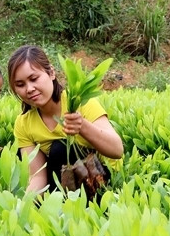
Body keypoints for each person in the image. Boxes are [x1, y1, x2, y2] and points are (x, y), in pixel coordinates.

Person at [7, 45, 123, 194]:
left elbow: (117, 150)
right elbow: (37, 177)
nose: (29, 89)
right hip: (66, 180)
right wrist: (22, 208)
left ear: (51, 73)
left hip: (100, 179)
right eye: (20, 85)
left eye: (34, 78)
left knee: (60, 148)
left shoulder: (80, 103)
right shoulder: (23, 123)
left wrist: (82, 127)